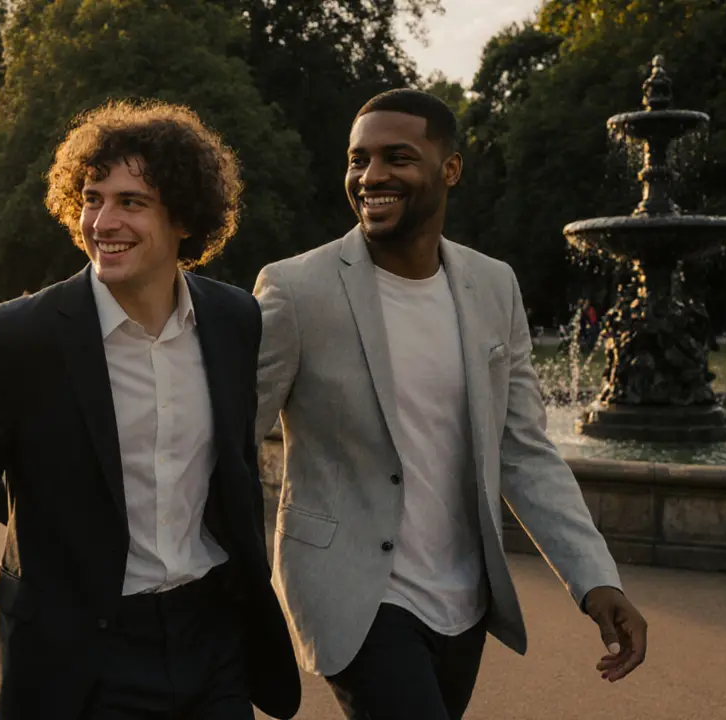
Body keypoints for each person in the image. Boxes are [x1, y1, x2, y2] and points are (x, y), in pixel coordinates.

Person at [253, 89, 648, 720]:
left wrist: (595, 579)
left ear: (450, 170)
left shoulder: (493, 285)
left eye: (397, 157)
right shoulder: (297, 289)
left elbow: (522, 450)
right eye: (359, 160)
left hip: (464, 600)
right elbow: (235, 438)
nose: (371, 176)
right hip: (352, 595)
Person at [0, 100, 300, 720]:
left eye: (131, 202)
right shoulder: (18, 336)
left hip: (210, 636)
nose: (103, 221)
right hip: (79, 655)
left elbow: (233, 465)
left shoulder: (233, 318)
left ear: (184, 216)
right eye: (92, 197)